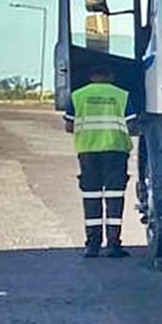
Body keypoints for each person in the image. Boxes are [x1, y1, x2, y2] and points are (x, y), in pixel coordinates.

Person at [64, 65, 139, 258]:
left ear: (90, 75)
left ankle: (92, 245)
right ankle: (113, 245)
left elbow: (69, 126)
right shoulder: (121, 95)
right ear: (111, 75)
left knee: (91, 197)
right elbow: (131, 124)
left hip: (88, 151)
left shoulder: (77, 95)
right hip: (115, 151)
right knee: (114, 197)